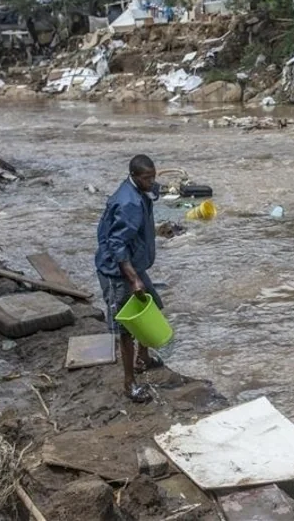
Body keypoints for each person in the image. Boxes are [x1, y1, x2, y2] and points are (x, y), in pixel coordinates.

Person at [95, 154, 165, 403]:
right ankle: (129, 383)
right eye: (147, 178)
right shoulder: (129, 204)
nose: (151, 182)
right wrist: (133, 279)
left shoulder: (138, 192)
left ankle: (142, 358)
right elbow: (116, 244)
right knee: (127, 329)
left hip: (134, 264)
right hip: (117, 271)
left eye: (153, 177)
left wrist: (153, 189)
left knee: (152, 306)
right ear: (134, 176)